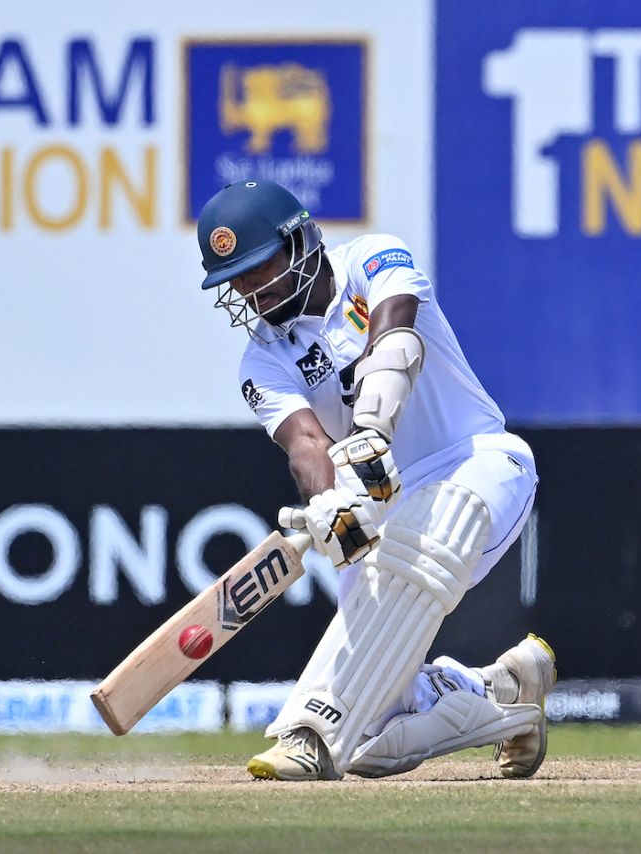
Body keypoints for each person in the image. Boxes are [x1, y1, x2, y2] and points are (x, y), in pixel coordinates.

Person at [196, 179, 553, 781]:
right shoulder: (262, 361)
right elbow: (306, 445)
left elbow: (396, 337)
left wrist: (371, 429)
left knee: (426, 537)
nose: (252, 293)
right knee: (374, 739)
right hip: (386, 510)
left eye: (260, 270)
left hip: (482, 467)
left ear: (301, 240)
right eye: (238, 282)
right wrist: (331, 500)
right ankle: (506, 698)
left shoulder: (369, 258)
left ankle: (307, 733)